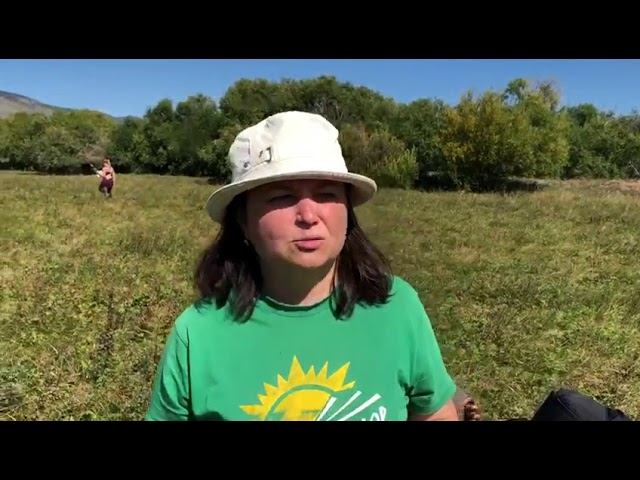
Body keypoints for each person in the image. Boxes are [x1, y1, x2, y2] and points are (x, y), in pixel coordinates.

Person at [145, 111, 459, 421]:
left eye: (326, 194)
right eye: (282, 197)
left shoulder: (397, 306)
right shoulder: (197, 334)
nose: (308, 216)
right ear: (242, 220)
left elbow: (434, 413)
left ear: (348, 211)